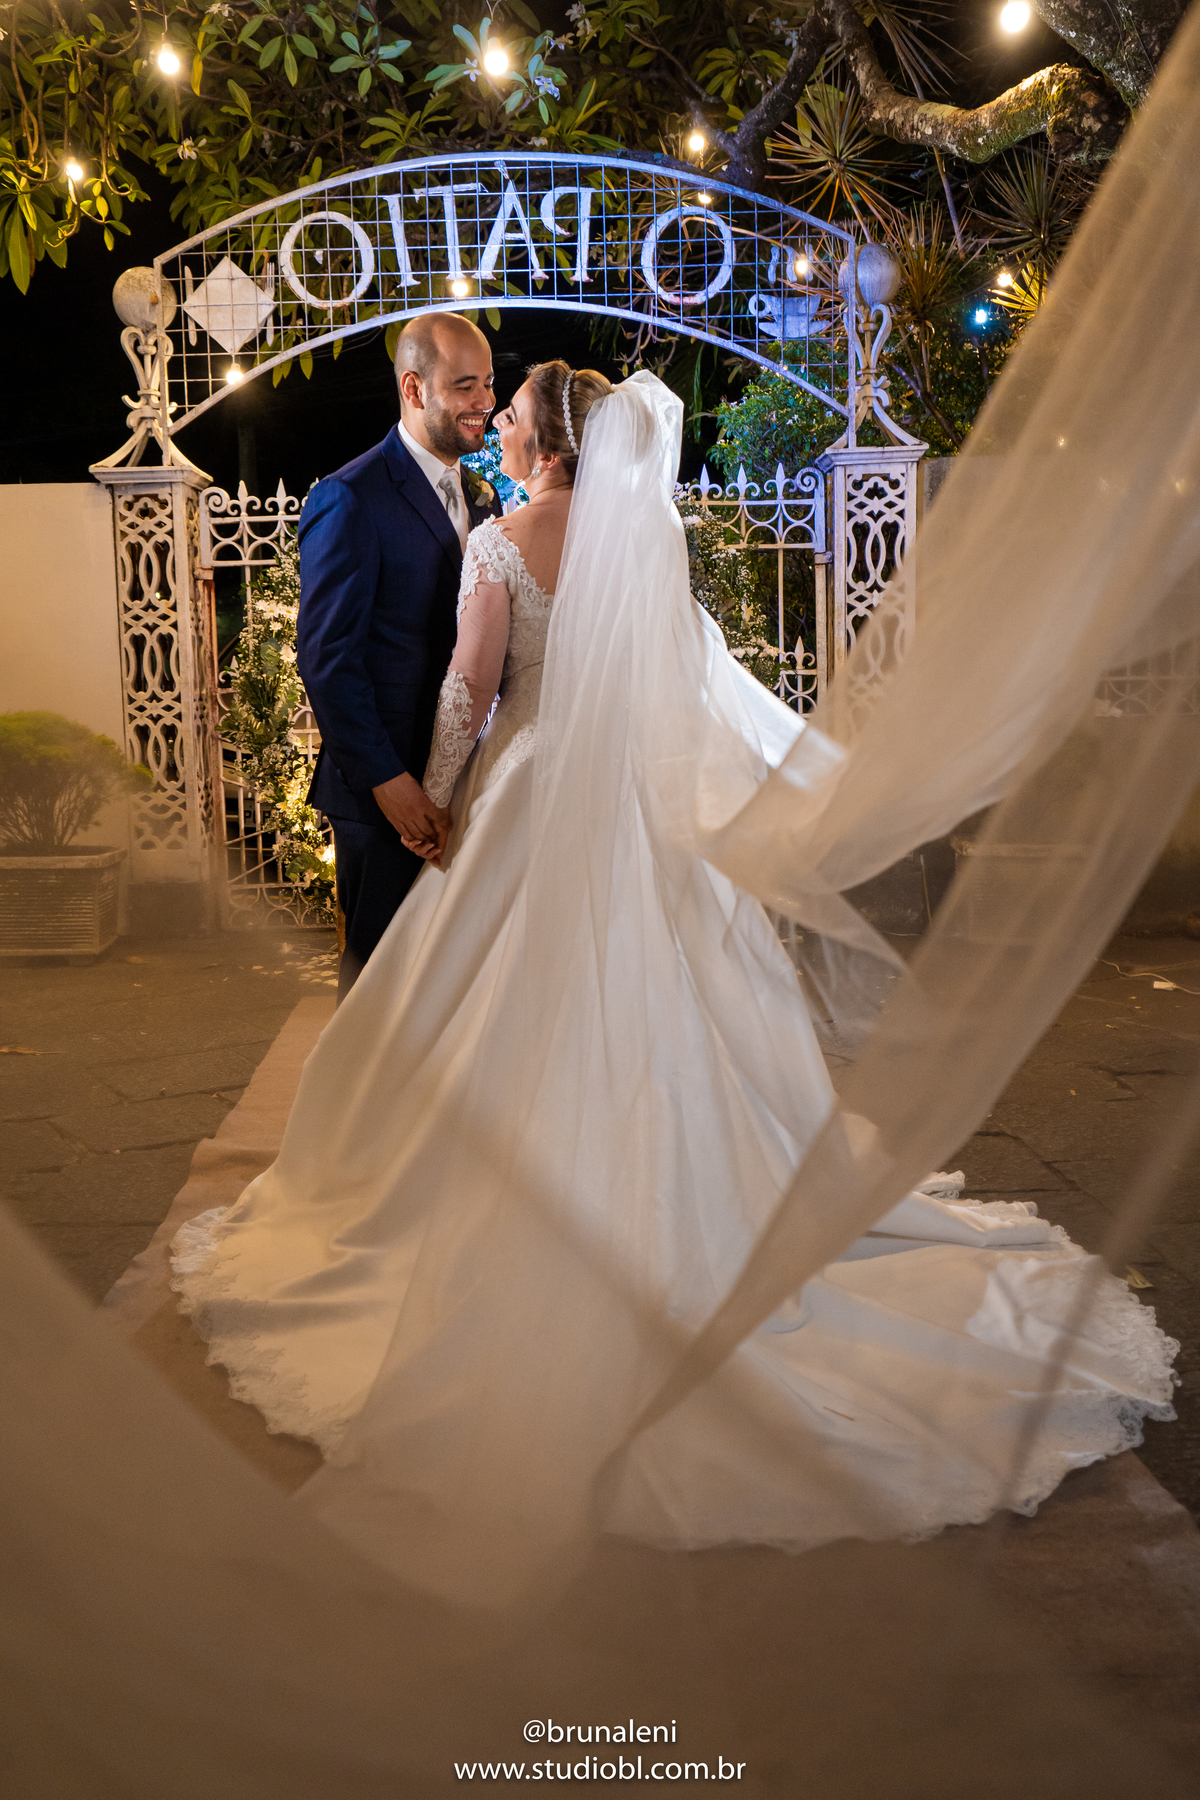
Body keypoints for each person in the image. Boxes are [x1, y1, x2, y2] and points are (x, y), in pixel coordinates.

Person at [171, 361, 1178, 1599]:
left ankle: (514, 1191)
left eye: (511, 415)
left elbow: (470, 690)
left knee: (497, 1000)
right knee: (674, 997)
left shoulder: (501, 543)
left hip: (534, 791)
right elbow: (682, 688)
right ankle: (693, 1199)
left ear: (543, 440)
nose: (500, 428)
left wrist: (434, 798)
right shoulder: (649, 537)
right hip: (639, 812)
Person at [296, 311, 503, 998]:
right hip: (386, 798)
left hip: (468, 781)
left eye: (489, 384)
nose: (485, 401)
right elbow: (328, 658)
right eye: (466, 386)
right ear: (414, 389)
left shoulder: (482, 497)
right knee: (377, 989)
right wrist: (392, 784)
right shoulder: (350, 497)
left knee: (452, 988)